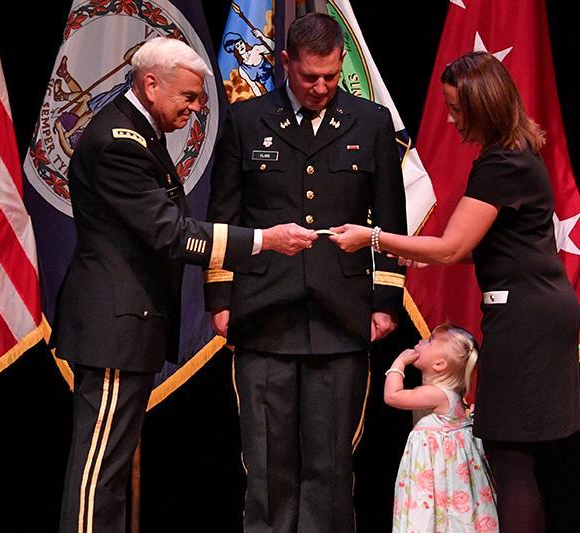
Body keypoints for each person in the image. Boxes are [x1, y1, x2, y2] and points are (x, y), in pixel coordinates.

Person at [50, 37, 316, 533]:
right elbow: (170, 232)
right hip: (114, 325)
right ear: (151, 84)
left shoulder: (138, 133)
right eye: (189, 97)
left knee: (110, 461)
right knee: (99, 469)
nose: (195, 109)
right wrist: (264, 240)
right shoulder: (117, 143)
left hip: (128, 322)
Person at [330, 51, 580, 533]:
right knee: (511, 455)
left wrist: (374, 238)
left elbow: (450, 248)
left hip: (527, 319)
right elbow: (490, 248)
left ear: (482, 106)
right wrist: (418, 251)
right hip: (531, 312)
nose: (449, 118)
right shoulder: (511, 158)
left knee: (510, 457)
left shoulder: (502, 165)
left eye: (456, 107)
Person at [204, 13, 408, 533]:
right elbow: (225, 214)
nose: (321, 88)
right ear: (284, 63)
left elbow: (389, 219)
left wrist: (384, 303)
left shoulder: (372, 122)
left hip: (341, 315)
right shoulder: (247, 120)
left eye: (331, 76)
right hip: (263, 313)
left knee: (332, 467)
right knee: (267, 465)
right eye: (309, 76)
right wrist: (220, 296)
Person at [385, 324, 498, 533]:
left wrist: (398, 363)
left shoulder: (437, 394)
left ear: (439, 364)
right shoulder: (449, 393)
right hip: (442, 472)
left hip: (435, 471)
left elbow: (392, 396)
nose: (420, 342)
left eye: (429, 341)